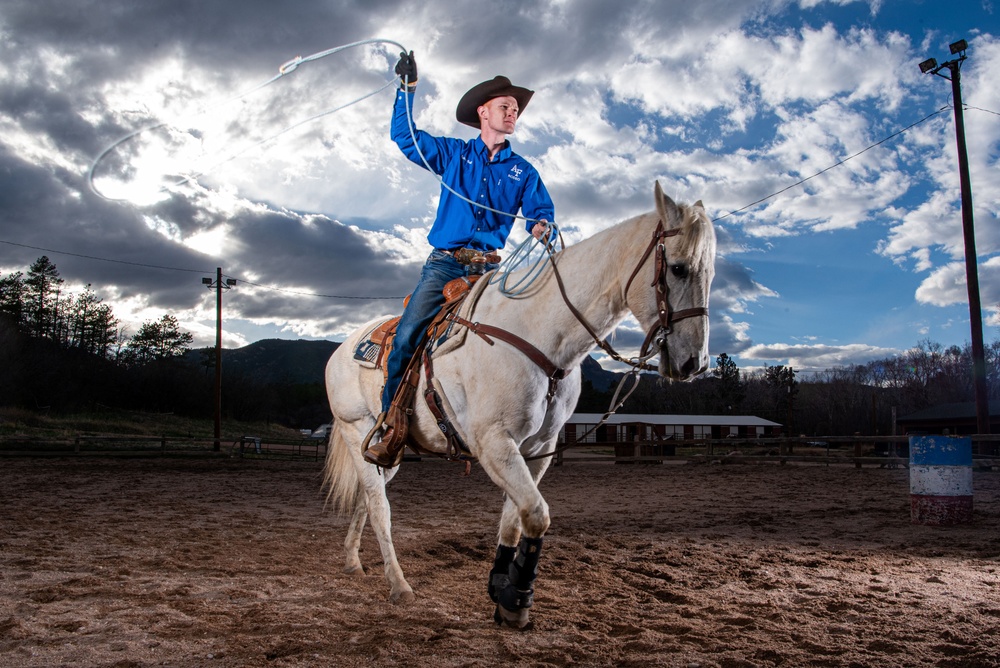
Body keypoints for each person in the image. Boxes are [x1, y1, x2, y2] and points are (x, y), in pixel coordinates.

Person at [363, 51, 556, 467]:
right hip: (445, 265)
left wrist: (541, 227)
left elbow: (542, 212)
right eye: (506, 106)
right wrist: (406, 90)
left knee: (524, 336)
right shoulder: (453, 155)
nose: (513, 113)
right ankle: (390, 422)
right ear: (483, 112)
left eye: (516, 109)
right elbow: (405, 137)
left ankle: (504, 419)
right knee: (409, 334)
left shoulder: (523, 171)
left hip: (491, 270)